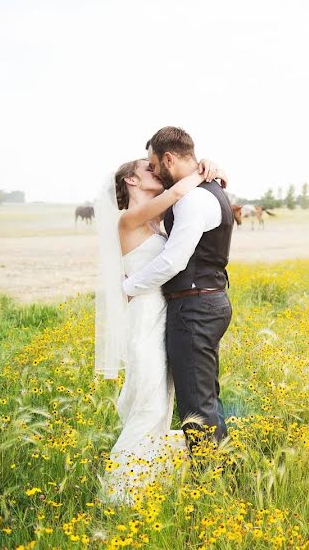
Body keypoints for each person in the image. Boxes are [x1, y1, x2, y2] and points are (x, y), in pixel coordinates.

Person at [94, 151, 226, 504]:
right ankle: (118, 495)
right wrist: (203, 170)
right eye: (146, 169)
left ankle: (142, 480)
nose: (154, 171)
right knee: (150, 405)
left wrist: (212, 170)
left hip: (166, 317)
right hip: (144, 321)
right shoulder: (129, 219)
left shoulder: (156, 223)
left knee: (161, 405)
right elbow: (175, 194)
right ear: (131, 181)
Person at [122, 126, 235, 454]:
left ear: (169, 158)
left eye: (154, 164)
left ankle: (207, 478)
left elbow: (173, 261)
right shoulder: (201, 190)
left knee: (196, 404)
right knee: (204, 396)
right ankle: (222, 468)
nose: (154, 170)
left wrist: (128, 287)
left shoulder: (195, 198)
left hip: (195, 307)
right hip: (202, 302)